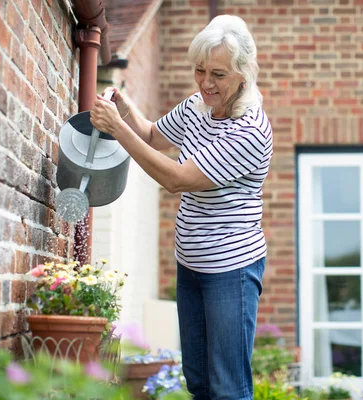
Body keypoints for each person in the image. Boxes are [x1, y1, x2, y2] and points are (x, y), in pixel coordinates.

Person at [90, 14, 273, 400]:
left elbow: (176, 178)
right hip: (191, 264)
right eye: (200, 71)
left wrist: (116, 130)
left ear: (244, 74)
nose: (206, 83)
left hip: (231, 270)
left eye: (218, 75)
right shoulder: (198, 106)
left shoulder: (250, 131)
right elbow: (153, 136)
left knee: (228, 386)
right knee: (198, 381)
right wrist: (124, 108)